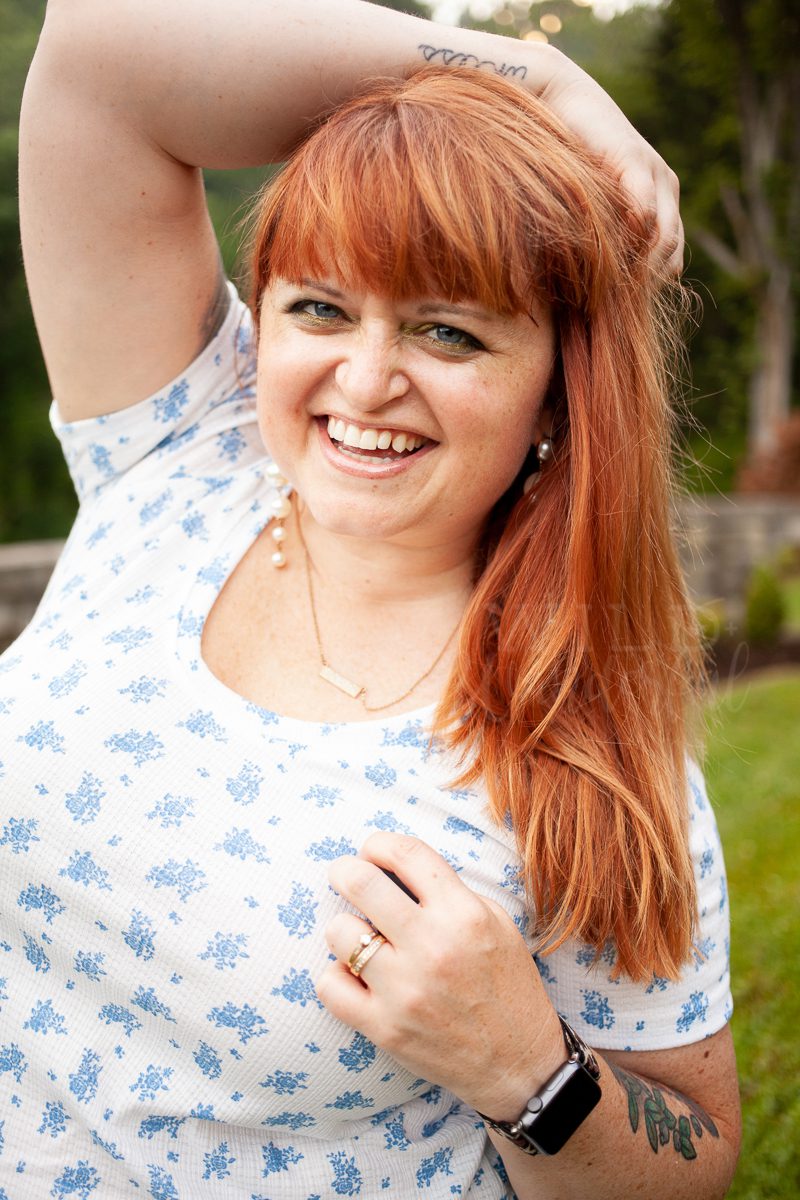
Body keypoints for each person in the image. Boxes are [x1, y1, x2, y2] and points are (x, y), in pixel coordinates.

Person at [2, 0, 739, 1196]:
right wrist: (532, 79)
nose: (364, 378)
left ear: (555, 394)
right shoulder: (178, 452)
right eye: (320, 308)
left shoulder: (585, 738)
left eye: (448, 332)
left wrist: (527, 1069)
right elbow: (99, 45)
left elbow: (696, 1155)